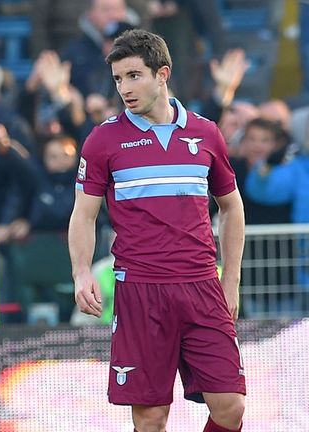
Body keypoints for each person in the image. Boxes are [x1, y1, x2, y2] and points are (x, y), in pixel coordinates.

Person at [68, 29, 246, 432]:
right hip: (140, 292)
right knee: (150, 418)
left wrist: (230, 279)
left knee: (231, 407)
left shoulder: (205, 133)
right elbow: (83, 215)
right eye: (118, 79)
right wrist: (81, 272)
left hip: (202, 287)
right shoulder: (103, 140)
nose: (124, 88)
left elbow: (232, 206)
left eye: (134, 75)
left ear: (162, 73)